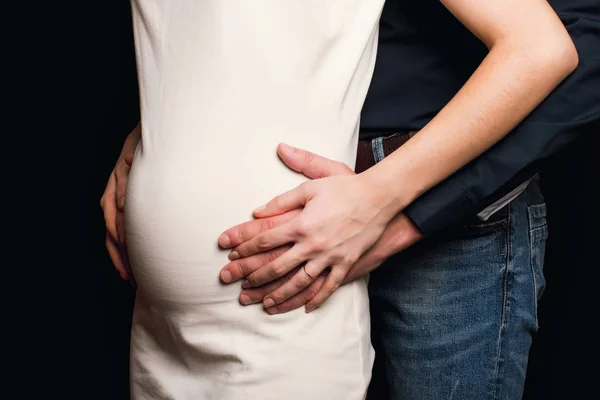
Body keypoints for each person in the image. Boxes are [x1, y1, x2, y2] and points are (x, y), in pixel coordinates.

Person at [100, 2, 589, 400]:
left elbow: (565, 41)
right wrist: (162, 136)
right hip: (296, 213)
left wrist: (391, 208)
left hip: (450, 213)